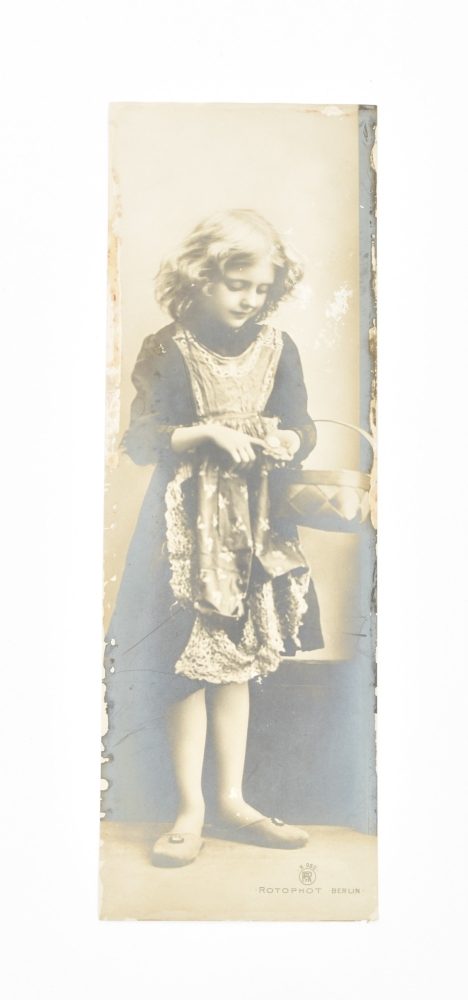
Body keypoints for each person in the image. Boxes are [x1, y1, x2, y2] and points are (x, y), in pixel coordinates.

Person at [104, 209, 323, 867]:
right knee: (187, 666)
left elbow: (303, 424)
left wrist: (289, 439)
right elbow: (140, 438)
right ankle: (190, 810)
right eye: (236, 285)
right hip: (184, 530)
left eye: (261, 289)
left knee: (237, 662)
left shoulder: (279, 346)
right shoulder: (166, 348)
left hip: (255, 525)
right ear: (200, 277)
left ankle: (232, 800)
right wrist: (202, 432)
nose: (250, 299)